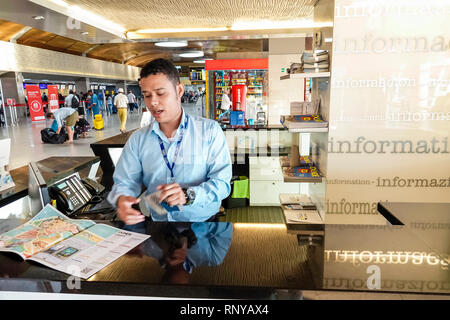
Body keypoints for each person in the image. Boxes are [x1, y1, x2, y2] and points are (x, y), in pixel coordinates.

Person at [107, 58, 232, 223]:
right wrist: (122, 199)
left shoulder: (209, 131)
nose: (153, 102)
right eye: (147, 95)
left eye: (160, 93)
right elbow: (125, 181)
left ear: (179, 90)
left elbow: (222, 183)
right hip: (158, 226)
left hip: (202, 225)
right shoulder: (138, 139)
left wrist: (189, 195)